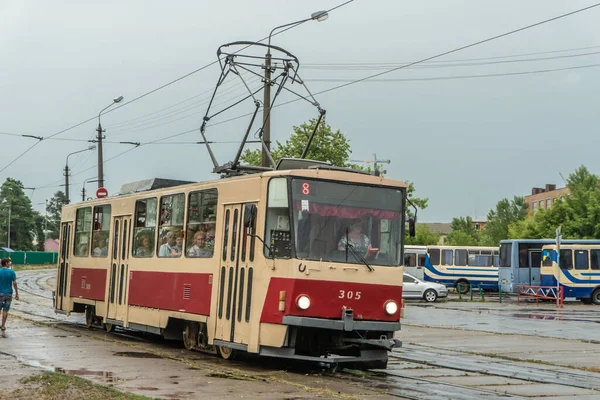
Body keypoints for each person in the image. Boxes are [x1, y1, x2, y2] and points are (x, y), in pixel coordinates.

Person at [0, 258, 18, 333]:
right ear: (6, 263)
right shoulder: (11, 272)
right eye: (9, 262)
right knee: (6, 310)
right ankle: (3, 325)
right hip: (8, 294)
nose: (10, 263)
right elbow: (14, 283)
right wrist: (17, 293)